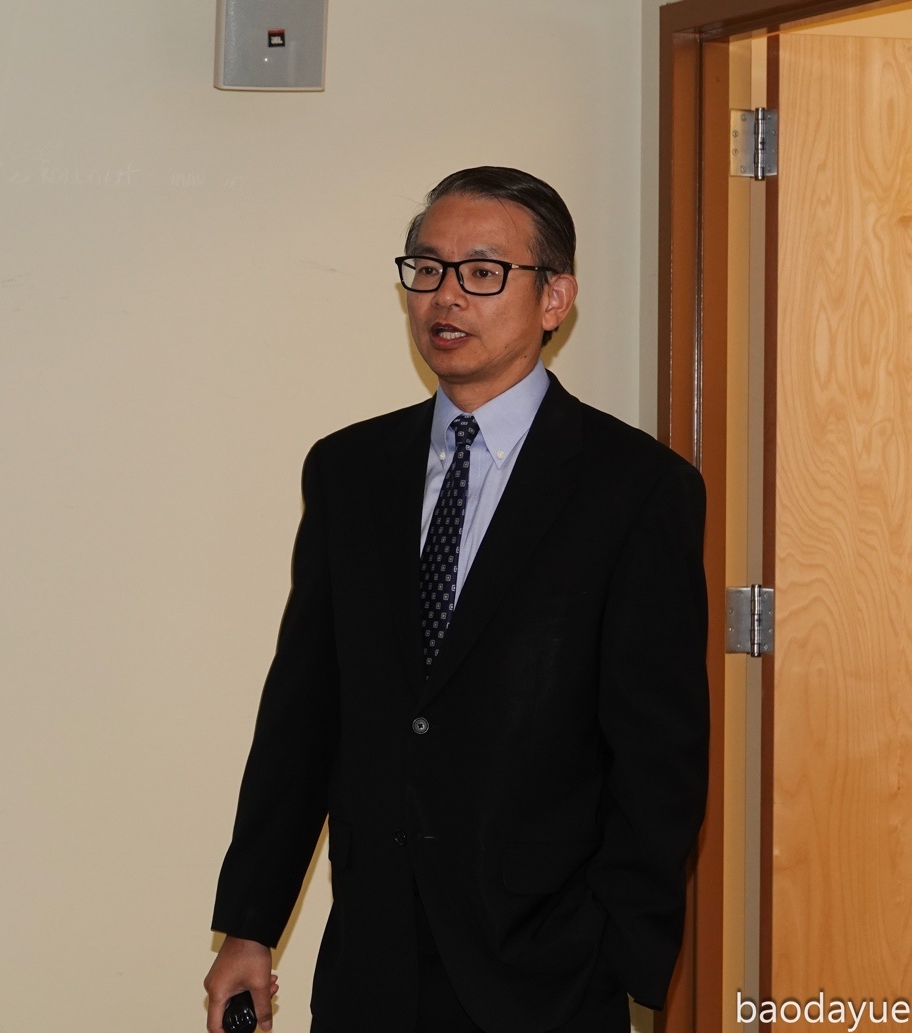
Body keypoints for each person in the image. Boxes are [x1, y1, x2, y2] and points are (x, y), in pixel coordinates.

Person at [203, 167, 709, 1033]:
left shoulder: (636, 489)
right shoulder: (350, 472)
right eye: (428, 268)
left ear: (555, 298)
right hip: (372, 960)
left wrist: (618, 953)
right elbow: (304, 713)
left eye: (482, 272)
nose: (446, 296)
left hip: (547, 969)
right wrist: (250, 924)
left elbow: (659, 754)